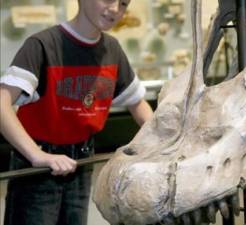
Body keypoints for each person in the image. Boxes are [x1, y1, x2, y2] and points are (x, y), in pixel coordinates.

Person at [0, 0, 153, 224]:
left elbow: (138, 104)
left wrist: (163, 142)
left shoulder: (112, 50)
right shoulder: (41, 44)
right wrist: (37, 155)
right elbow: (2, 103)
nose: (115, 10)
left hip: (81, 164)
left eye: (123, 3)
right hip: (37, 171)